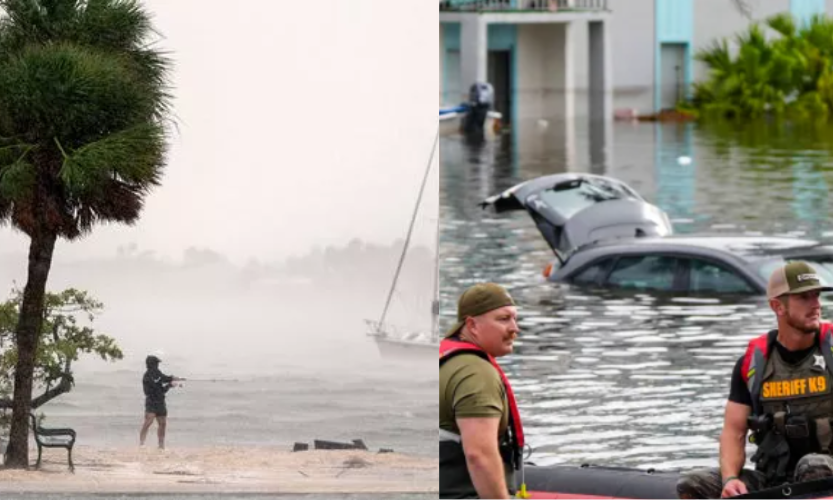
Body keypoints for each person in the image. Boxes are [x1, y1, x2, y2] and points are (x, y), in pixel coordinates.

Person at [677, 261, 833, 498]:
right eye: (804, 297)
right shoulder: (752, 365)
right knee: (693, 483)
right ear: (777, 306)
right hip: (774, 478)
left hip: (826, 473)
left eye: (816, 295)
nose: (816, 305)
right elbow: (734, 432)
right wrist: (730, 479)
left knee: (813, 466)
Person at [440, 282, 526, 499]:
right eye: (503, 319)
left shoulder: (442, 360)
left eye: (515, 319)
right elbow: (479, 455)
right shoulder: (477, 374)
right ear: (472, 325)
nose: (515, 328)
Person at [139, 354, 183, 449]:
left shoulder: (157, 373)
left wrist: (173, 380)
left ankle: (161, 445)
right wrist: (170, 383)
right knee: (149, 421)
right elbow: (159, 386)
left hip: (160, 402)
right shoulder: (147, 376)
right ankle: (141, 443)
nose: (158, 365)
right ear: (152, 364)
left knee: (162, 423)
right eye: (156, 363)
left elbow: (163, 379)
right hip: (151, 401)